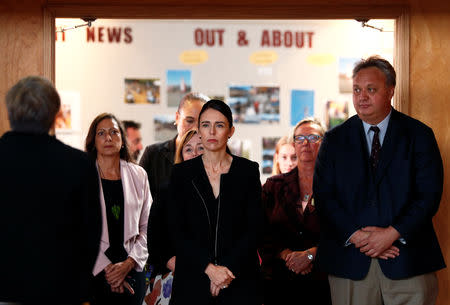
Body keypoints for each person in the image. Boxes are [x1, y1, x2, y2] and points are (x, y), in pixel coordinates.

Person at [313, 56, 445, 305]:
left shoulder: (419, 135)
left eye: (371, 90)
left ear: (390, 91)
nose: (362, 97)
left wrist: (391, 234)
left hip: (408, 259)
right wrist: (358, 237)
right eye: (357, 90)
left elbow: (428, 196)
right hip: (350, 262)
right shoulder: (334, 140)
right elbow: (324, 197)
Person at [0, 76, 102, 304]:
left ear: (9, 112)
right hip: (60, 290)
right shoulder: (79, 164)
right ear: (55, 115)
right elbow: (91, 234)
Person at [168, 100, 263, 305]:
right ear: (199, 130)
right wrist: (209, 269)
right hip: (193, 280)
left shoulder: (248, 171)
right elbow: (177, 231)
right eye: (205, 125)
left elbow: (254, 228)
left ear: (231, 131)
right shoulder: (181, 174)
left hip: (239, 278)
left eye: (219, 125)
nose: (211, 131)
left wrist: (225, 271)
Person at [260, 118, 331, 305]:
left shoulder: (338, 187)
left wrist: (310, 255)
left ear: (324, 143)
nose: (306, 143)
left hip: (322, 283)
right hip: (278, 281)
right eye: (300, 138)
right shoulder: (273, 187)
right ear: (293, 144)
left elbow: (343, 233)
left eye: (313, 137)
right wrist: (287, 255)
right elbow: (260, 230)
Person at [85, 113, 151, 305]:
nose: (108, 137)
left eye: (114, 132)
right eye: (101, 133)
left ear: (122, 140)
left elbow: (148, 226)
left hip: (132, 267)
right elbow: (76, 229)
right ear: (93, 141)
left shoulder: (139, 175)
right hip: (94, 270)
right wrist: (109, 270)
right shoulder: (82, 175)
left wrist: (128, 264)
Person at [145, 129, 204, 305]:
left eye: (200, 148)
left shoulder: (222, 190)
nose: (194, 154)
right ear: (181, 155)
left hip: (211, 278)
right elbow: (154, 238)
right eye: (188, 149)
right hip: (170, 277)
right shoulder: (166, 190)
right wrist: (177, 265)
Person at [139, 92, 208, 203]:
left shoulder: (217, 159)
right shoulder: (153, 154)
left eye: (203, 123)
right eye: (189, 121)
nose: (195, 127)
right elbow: (139, 203)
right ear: (177, 118)